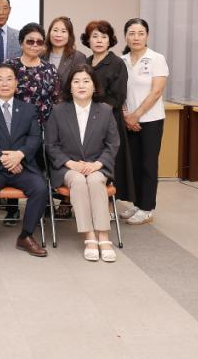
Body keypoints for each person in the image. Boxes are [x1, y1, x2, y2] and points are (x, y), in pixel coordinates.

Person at [0, 63, 48, 259]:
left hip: (23, 165)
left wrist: (19, 155)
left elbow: (35, 137)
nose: (4, 83)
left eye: (9, 79)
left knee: (40, 187)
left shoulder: (28, 109)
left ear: (16, 83)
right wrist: (4, 158)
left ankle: (26, 236)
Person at [45, 65, 120, 262]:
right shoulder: (58, 111)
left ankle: (104, 236)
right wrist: (70, 163)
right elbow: (51, 145)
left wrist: (97, 164)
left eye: (86, 81)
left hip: (97, 165)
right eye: (76, 81)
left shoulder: (105, 111)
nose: (81, 85)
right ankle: (89, 236)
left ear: (94, 86)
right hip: (68, 167)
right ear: (69, 87)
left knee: (95, 180)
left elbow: (113, 144)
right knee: (78, 181)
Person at [5, 22, 61, 223]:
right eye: (30, 41)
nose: (35, 45)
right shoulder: (10, 66)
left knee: (40, 168)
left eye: (39, 42)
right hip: (14, 126)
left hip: (43, 127)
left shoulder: (49, 69)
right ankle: (12, 209)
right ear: (21, 43)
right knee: (13, 165)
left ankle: (41, 206)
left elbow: (56, 99)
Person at [120, 18, 169, 225]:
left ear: (147, 35)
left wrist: (136, 115)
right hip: (127, 120)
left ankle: (147, 208)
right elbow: (120, 92)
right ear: (126, 36)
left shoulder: (156, 58)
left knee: (148, 164)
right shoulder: (122, 60)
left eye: (140, 33)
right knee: (133, 163)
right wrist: (126, 115)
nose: (136, 37)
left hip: (150, 120)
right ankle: (137, 203)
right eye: (131, 33)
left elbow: (156, 91)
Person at [82, 20, 135, 204]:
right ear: (88, 40)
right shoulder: (86, 62)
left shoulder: (117, 63)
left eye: (104, 37)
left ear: (110, 40)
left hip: (108, 120)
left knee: (109, 161)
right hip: (85, 120)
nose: (99, 40)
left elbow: (117, 96)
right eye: (95, 36)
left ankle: (109, 206)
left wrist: (97, 116)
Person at [44, 16, 87, 88]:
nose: (58, 35)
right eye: (55, 30)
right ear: (49, 33)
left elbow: (80, 85)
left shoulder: (78, 57)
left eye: (63, 31)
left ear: (69, 35)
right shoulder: (40, 55)